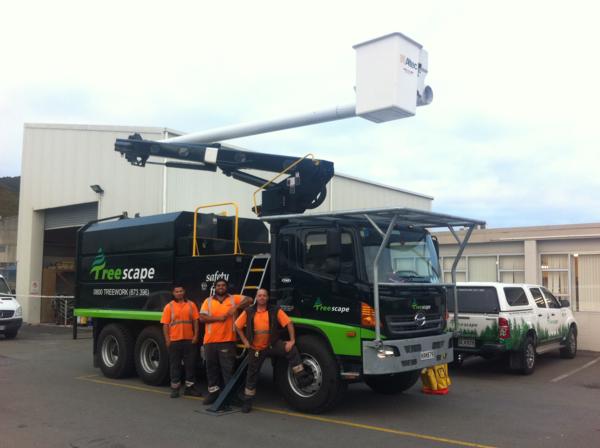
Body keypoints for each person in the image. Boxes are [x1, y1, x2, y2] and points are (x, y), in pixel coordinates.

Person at [235, 288, 313, 413]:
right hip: (255, 349)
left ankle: (301, 378)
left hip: (272, 344)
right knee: (252, 375)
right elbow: (237, 326)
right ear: (256, 297)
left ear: (267, 297)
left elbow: (289, 323)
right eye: (259, 295)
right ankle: (248, 401)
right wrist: (244, 341)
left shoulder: (275, 310)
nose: (261, 297)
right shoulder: (248, 311)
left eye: (264, 295)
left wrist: (292, 340)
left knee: (291, 349)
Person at [199, 279, 252, 405]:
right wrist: (219, 318)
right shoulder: (208, 301)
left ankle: (230, 395)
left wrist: (236, 307)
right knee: (211, 369)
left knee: (228, 370)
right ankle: (213, 394)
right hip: (210, 341)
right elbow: (202, 318)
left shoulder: (233, 299)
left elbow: (249, 299)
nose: (221, 287)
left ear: (227, 287)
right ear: (215, 287)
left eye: (223, 285)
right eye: (218, 285)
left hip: (227, 341)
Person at [160, 285, 202, 398]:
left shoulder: (191, 305)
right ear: (173, 293)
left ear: (184, 292)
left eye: (181, 291)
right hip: (174, 341)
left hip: (189, 340)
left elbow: (196, 322)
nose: (179, 293)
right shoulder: (169, 307)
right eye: (176, 291)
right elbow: (165, 325)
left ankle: (190, 388)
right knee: (175, 365)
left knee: (190, 365)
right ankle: (175, 389)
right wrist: (167, 340)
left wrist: (196, 336)